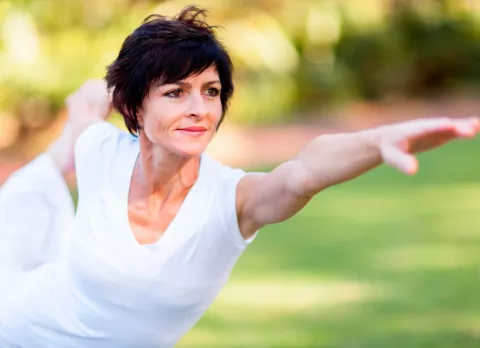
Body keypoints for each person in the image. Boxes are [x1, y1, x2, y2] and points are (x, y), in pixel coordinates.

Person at [0, 5, 478, 348]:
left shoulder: (232, 199)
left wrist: (377, 141)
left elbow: (302, 173)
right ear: (133, 108)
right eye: (175, 92)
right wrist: (111, 86)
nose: (199, 109)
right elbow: (86, 109)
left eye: (211, 91)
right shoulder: (100, 149)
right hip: (14, 322)